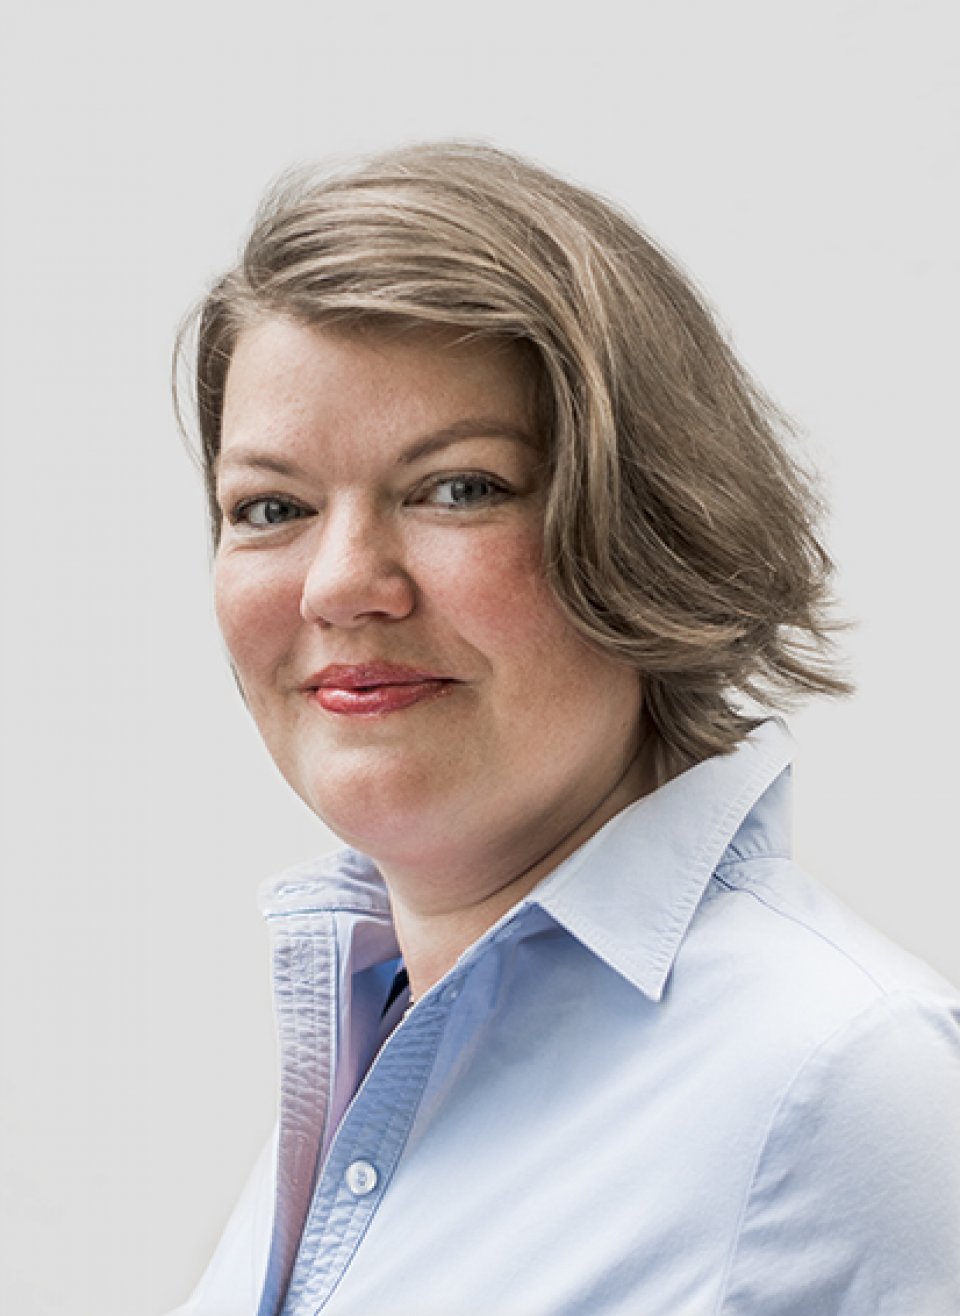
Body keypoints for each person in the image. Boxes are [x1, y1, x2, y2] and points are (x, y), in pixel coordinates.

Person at [168, 143, 960, 1316]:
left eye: (458, 487)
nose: (339, 584)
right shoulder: (374, 1046)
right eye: (272, 506)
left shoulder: (839, 1087)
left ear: (652, 524)